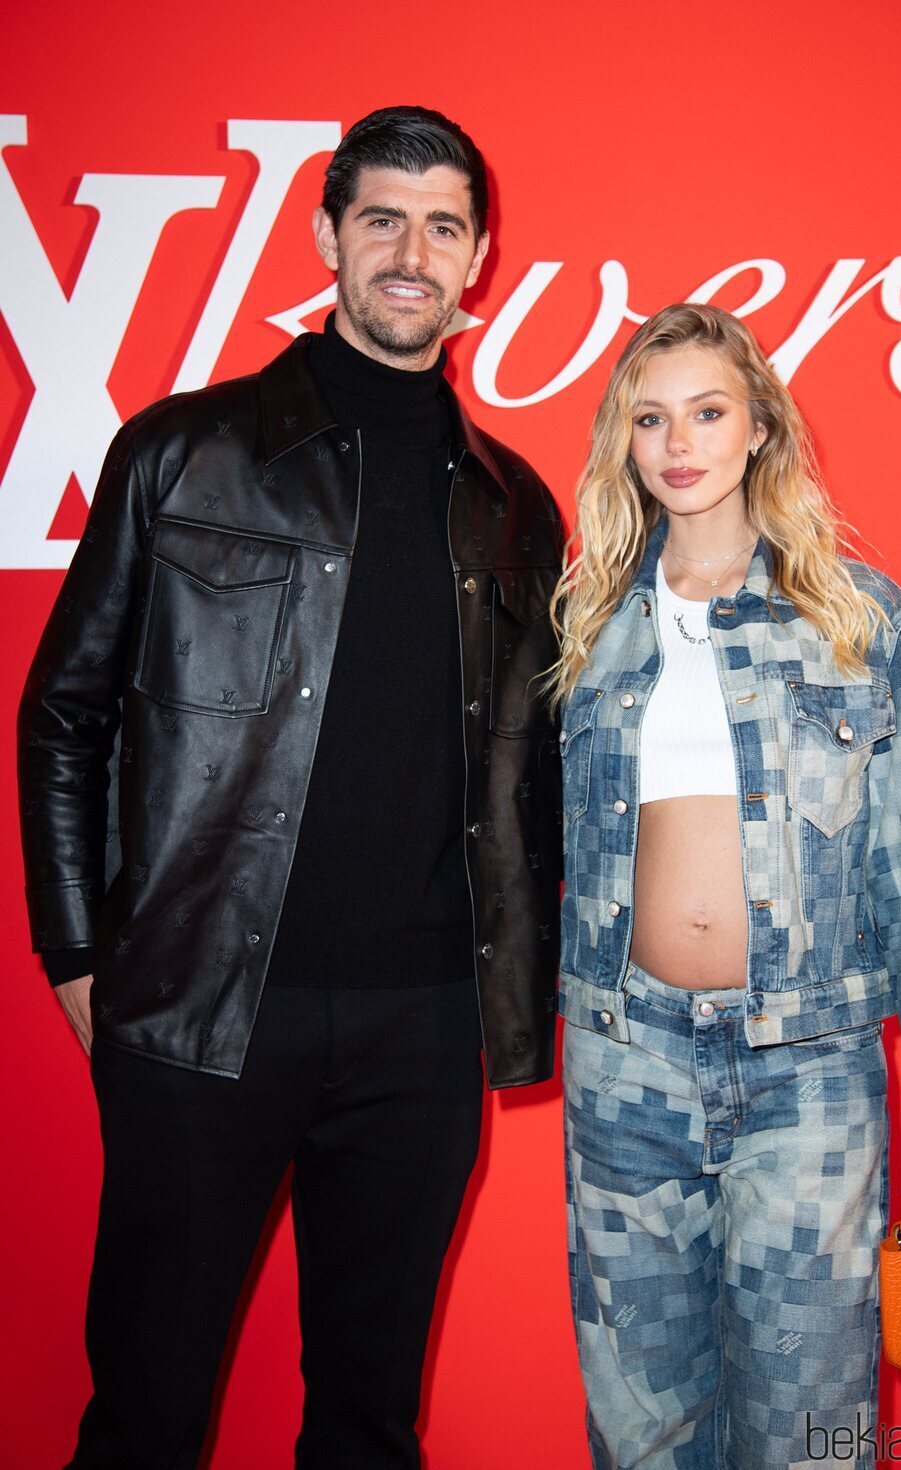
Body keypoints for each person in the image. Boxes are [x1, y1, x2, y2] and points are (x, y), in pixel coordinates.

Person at [17, 105, 564, 1470]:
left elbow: (533, 773)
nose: (410, 250)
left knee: (370, 1420)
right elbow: (61, 713)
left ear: (478, 258)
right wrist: (82, 951)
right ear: (325, 235)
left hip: (422, 1033)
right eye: (381, 216)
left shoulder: (515, 506)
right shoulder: (180, 450)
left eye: (442, 225)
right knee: (145, 1407)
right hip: (203, 1011)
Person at [551, 302, 901, 1469]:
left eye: (705, 412)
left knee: (819, 1431)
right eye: (649, 418)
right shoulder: (581, 627)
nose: (677, 442)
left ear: (757, 431)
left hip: (813, 1077)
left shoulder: (861, 621)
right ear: (621, 441)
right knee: (640, 1429)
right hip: (623, 1062)